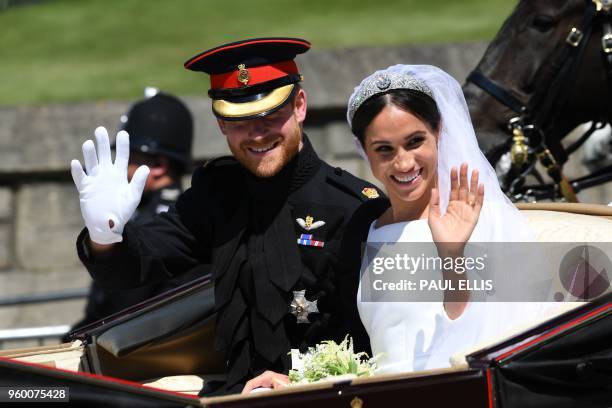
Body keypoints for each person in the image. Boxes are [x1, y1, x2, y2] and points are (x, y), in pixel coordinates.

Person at [69, 38, 388, 394]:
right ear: (221, 123)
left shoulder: (355, 206)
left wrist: (299, 382)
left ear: (299, 106)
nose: (257, 133)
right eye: (239, 120)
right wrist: (106, 235)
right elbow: (139, 264)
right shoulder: (216, 194)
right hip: (233, 396)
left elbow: (385, 338)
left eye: (270, 115)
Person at [347, 64, 547, 373]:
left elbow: (483, 338)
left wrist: (451, 255)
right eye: (384, 149)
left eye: (415, 142)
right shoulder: (370, 227)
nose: (403, 163)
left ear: (438, 132)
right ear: (363, 150)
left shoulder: (477, 219)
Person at [66, 90, 206, 335]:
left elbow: (120, 305)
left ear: (159, 166)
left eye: (128, 157)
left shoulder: (167, 219)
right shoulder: (145, 211)